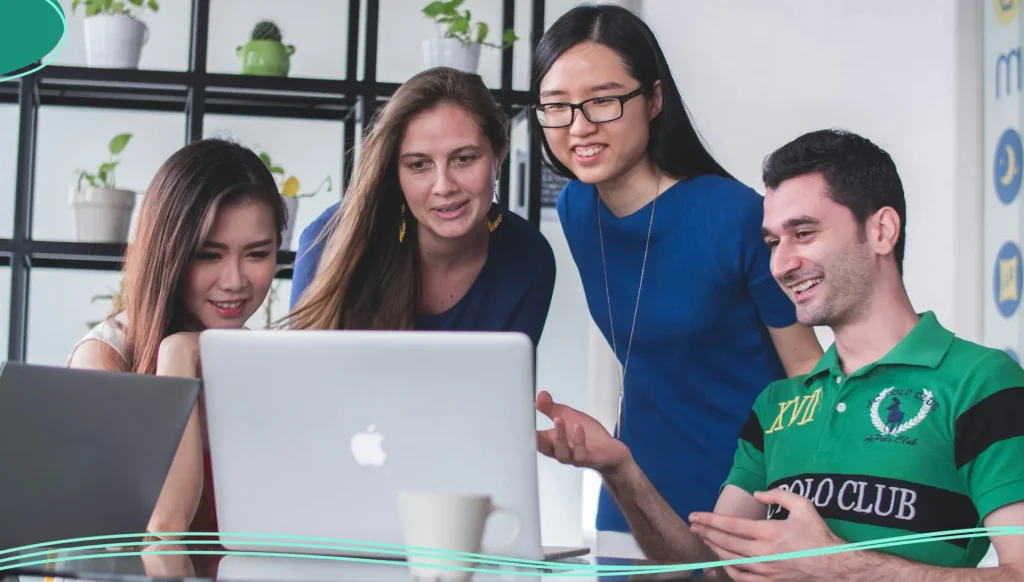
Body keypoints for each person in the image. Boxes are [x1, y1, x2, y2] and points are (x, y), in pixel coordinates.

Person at [536, 128, 1024, 579]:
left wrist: (838, 566)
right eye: (773, 241)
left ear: (881, 231)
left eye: (805, 233)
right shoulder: (777, 405)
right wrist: (619, 467)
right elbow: (708, 568)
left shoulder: (980, 381)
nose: (783, 263)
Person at [530, 3, 824, 535]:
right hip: (633, 485)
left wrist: (779, 496)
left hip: (746, 490)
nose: (579, 127)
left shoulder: (735, 217)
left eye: (603, 101)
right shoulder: (577, 209)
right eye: (557, 106)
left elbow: (808, 374)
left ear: (654, 99)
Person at [67, 138, 287, 539]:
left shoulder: (258, 361)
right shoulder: (104, 358)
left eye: (257, 254)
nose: (235, 281)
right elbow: (163, 529)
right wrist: (177, 357)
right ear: (169, 253)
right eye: (209, 255)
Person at [284, 67, 556, 345]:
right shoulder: (331, 238)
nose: (444, 186)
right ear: (396, 173)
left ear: (498, 156)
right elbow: (302, 377)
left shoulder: (529, 258)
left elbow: (506, 383)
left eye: (463, 159)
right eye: (418, 165)